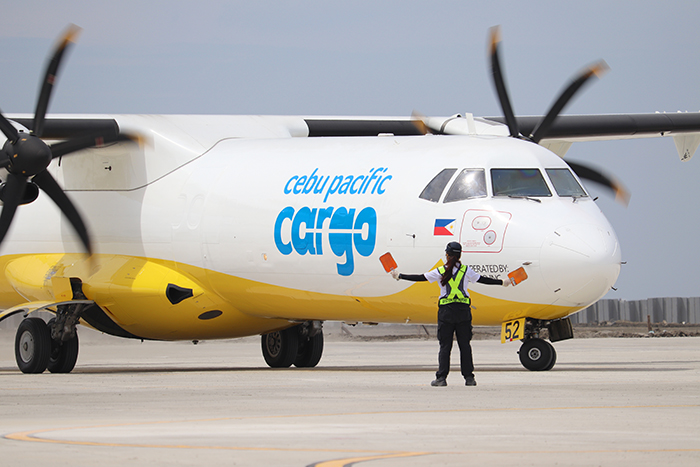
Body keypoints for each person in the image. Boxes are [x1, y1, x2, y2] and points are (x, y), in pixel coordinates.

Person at [391, 242, 510, 387]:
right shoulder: (466, 270)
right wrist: (502, 282)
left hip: (446, 312)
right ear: (460, 255)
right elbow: (484, 280)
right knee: (465, 345)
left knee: (445, 345)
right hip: (463, 311)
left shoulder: (441, 270)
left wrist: (400, 276)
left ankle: (441, 378)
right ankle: (469, 378)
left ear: (447, 255)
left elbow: (421, 278)